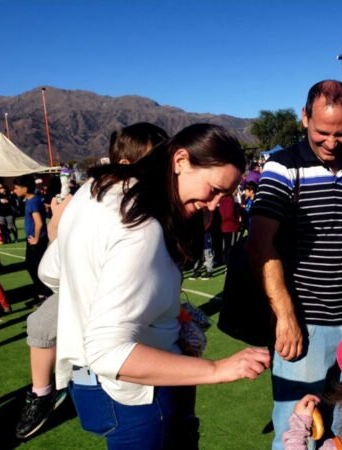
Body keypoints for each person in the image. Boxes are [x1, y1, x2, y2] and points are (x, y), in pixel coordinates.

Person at [38, 123, 271, 449]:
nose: (217, 204)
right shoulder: (142, 226)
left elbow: (50, 272)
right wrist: (218, 368)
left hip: (90, 386)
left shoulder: (92, 191)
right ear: (180, 161)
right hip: (141, 397)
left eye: (226, 195)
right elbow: (108, 352)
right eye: (215, 189)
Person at [246, 80, 342, 450]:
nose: (330, 142)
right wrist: (286, 316)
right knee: (299, 433)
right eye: (322, 131)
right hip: (304, 323)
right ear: (304, 116)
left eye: (341, 133)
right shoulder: (282, 166)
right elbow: (260, 243)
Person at [15, 122, 170, 440]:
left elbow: (50, 271)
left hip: (114, 364)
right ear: (127, 165)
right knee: (42, 325)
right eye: (159, 161)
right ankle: (41, 392)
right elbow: (53, 270)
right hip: (125, 376)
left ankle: (44, 390)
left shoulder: (95, 197)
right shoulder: (113, 204)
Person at [12, 176, 53, 306]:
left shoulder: (33, 202)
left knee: (36, 268)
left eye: (16, 188)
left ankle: (45, 295)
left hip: (37, 241)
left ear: (25, 188)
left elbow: (39, 223)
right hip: (33, 240)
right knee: (31, 266)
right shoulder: (30, 201)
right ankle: (40, 294)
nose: (14, 190)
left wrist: (35, 238)